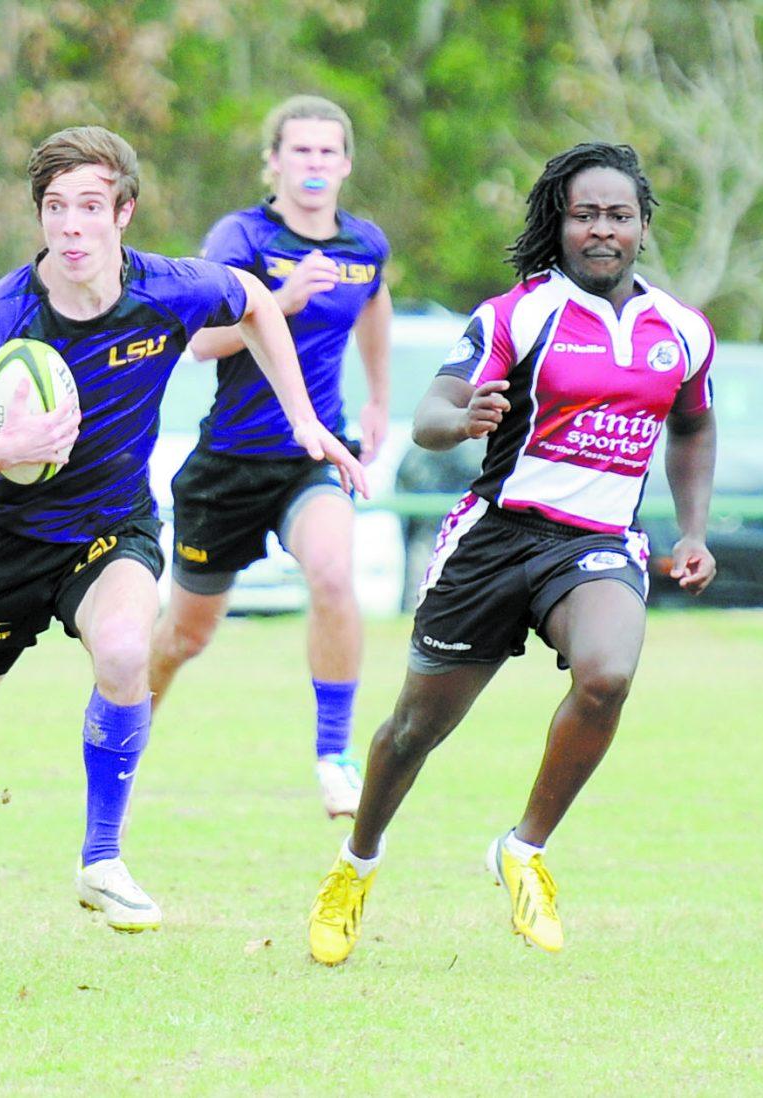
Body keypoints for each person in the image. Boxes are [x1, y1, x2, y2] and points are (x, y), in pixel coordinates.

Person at [0, 124, 366, 996]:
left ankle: (101, 857)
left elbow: (258, 303)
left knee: (123, 652)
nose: (72, 227)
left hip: (113, 528)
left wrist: (304, 422)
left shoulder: (167, 289)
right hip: (4, 544)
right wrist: (7, 447)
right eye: (55, 208)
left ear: (124, 213)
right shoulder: (1, 317)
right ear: (40, 217)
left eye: (89, 208)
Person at [307, 142, 718, 964]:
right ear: (559, 225)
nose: (602, 230)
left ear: (642, 226)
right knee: (416, 728)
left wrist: (695, 530)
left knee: (607, 675)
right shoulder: (517, 314)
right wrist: (459, 422)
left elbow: (695, 425)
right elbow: (432, 409)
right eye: (585, 214)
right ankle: (356, 864)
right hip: (497, 540)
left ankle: (523, 849)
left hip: (596, 544)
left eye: (619, 215)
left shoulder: (681, 331)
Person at [148, 95, 393, 818]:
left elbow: (374, 302)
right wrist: (278, 301)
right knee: (186, 636)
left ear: (345, 164)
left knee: (331, 572)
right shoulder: (242, 236)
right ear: (274, 161)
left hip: (313, 453)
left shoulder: (363, 247)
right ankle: (122, 741)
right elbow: (200, 342)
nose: (314, 164)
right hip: (229, 462)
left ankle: (334, 757)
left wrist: (377, 397)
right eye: (301, 151)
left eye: (327, 152)